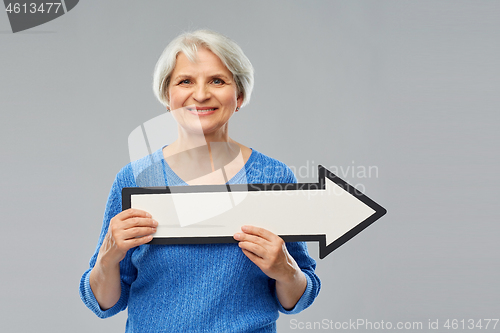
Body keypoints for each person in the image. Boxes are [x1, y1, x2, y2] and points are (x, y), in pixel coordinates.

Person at [79, 29, 320, 332]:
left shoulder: (274, 178)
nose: (202, 94)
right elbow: (104, 303)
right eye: (185, 81)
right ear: (168, 96)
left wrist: (285, 272)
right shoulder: (134, 179)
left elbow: (299, 296)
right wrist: (107, 258)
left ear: (240, 96)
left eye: (217, 81)